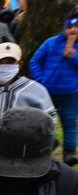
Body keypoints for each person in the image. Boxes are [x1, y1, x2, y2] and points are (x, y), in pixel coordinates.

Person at [30, 16, 78, 166]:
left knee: (70, 123)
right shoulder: (50, 43)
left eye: (76, 27)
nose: (73, 30)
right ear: (65, 28)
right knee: (42, 121)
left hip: (70, 93)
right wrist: (40, 80)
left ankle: (69, 153)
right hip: (47, 92)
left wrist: (72, 54)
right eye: (70, 27)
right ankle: (44, 148)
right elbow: (35, 61)